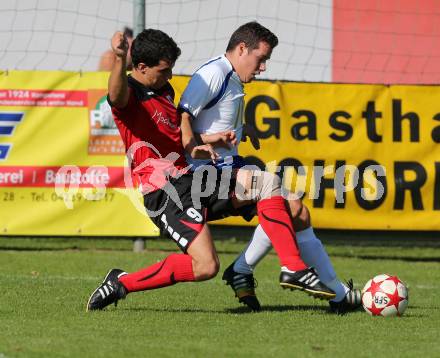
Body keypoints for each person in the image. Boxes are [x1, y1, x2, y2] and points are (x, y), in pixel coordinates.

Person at [86, 28, 336, 311]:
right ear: (141, 67)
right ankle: (122, 282)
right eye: (164, 70)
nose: (169, 77)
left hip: (192, 179)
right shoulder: (131, 96)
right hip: (165, 192)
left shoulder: (164, 91)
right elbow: (115, 95)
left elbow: (176, 140)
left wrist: (204, 142)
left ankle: (291, 268)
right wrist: (120, 58)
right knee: (205, 266)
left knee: (268, 185)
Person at [178, 21, 362, 314]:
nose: (262, 67)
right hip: (205, 176)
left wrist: (240, 128)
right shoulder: (212, 73)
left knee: (297, 210)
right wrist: (202, 143)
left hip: (229, 168)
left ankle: (248, 270)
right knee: (270, 186)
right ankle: (307, 277)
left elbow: (211, 118)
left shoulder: (232, 76)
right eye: (260, 58)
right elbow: (181, 120)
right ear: (241, 49)